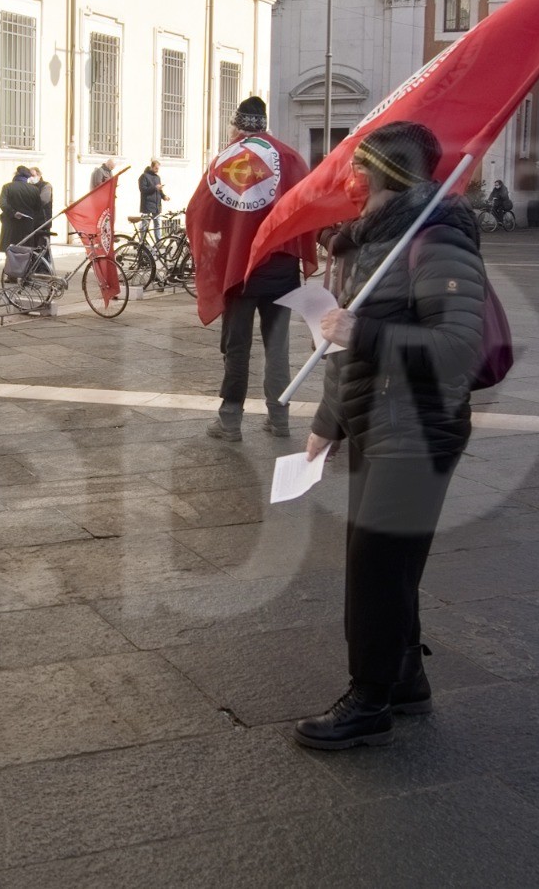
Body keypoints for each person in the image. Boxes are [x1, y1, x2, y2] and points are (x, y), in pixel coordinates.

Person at [294, 120, 486, 750]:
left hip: (418, 428)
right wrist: (327, 423)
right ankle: (404, 680)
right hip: (374, 420)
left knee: (377, 568)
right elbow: (340, 348)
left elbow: (459, 347)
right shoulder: (364, 242)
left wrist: (365, 332)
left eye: (360, 163)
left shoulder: (436, 238)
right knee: (384, 563)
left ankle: (369, 701)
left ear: (386, 171)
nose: (349, 174)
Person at [201, 97, 310, 442]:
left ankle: (230, 421)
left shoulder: (226, 160)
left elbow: (203, 211)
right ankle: (280, 418)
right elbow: (306, 207)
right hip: (281, 269)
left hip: (240, 271)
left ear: (237, 126)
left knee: (237, 347)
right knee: (277, 349)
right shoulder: (290, 158)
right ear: (264, 124)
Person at [0, 165, 46, 255]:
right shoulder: (34, 189)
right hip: (27, 225)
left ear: (16, 175)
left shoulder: (7, 187)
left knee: (11, 252)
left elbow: (2, 203)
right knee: (25, 253)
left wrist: (13, 213)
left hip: (10, 225)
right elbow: (38, 208)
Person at [137, 159, 168, 240]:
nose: (157, 170)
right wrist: (154, 187)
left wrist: (164, 196)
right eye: (156, 168)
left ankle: (158, 242)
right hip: (147, 204)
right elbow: (143, 189)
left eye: (158, 168)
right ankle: (142, 242)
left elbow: (159, 190)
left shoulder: (157, 177)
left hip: (157, 205)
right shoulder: (144, 176)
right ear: (151, 167)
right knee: (145, 225)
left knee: (157, 224)